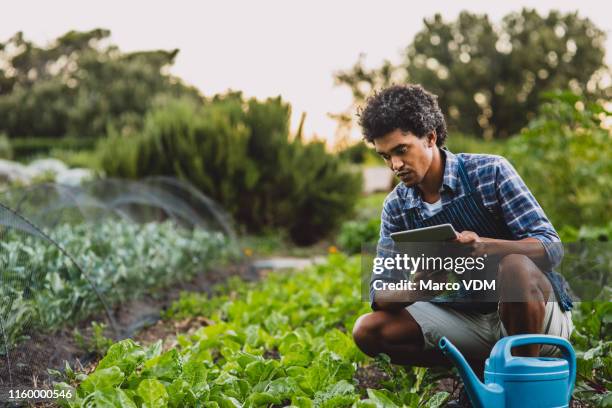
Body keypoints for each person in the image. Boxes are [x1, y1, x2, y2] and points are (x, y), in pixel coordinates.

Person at [351, 84, 574, 407]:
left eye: (401, 150)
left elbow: (551, 247)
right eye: (386, 156)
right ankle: (479, 373)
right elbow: (379, 293)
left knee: (514, 266)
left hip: (536, 318)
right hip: (469, 320)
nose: (395, 165)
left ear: (429, 137)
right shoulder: (397, 207)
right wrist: (417, 289)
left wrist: (488, 246)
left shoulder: (489, 172)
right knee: (368, 330)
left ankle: (518, 389)